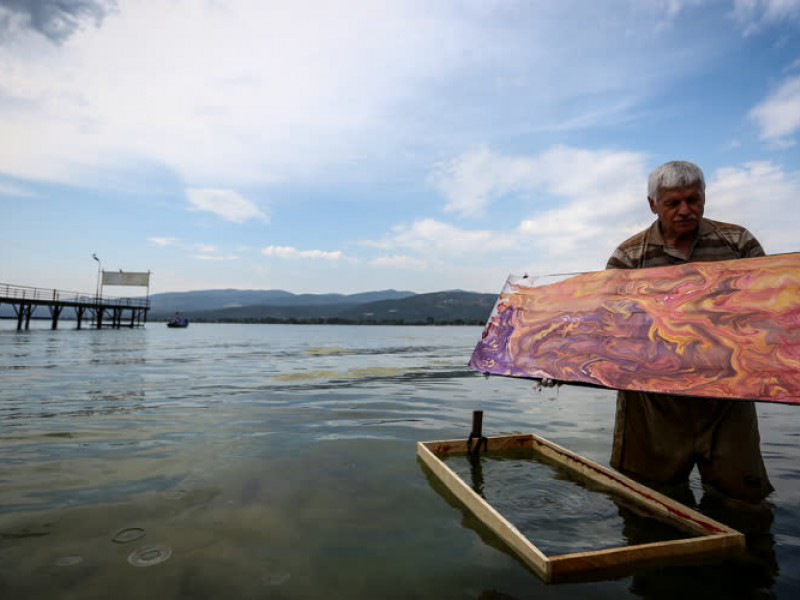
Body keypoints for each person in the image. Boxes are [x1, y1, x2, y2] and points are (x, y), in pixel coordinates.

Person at [605, 160, 773, 504]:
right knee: (647, 502)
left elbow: (769, 309)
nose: (685, 210)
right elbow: (611, 325)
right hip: (653, 403)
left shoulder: (738, 243)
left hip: (728, 397)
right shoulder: (629, 257)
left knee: (744, 500)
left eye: (693, 200)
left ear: (704, 197)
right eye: (672, 203)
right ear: (653, 205)